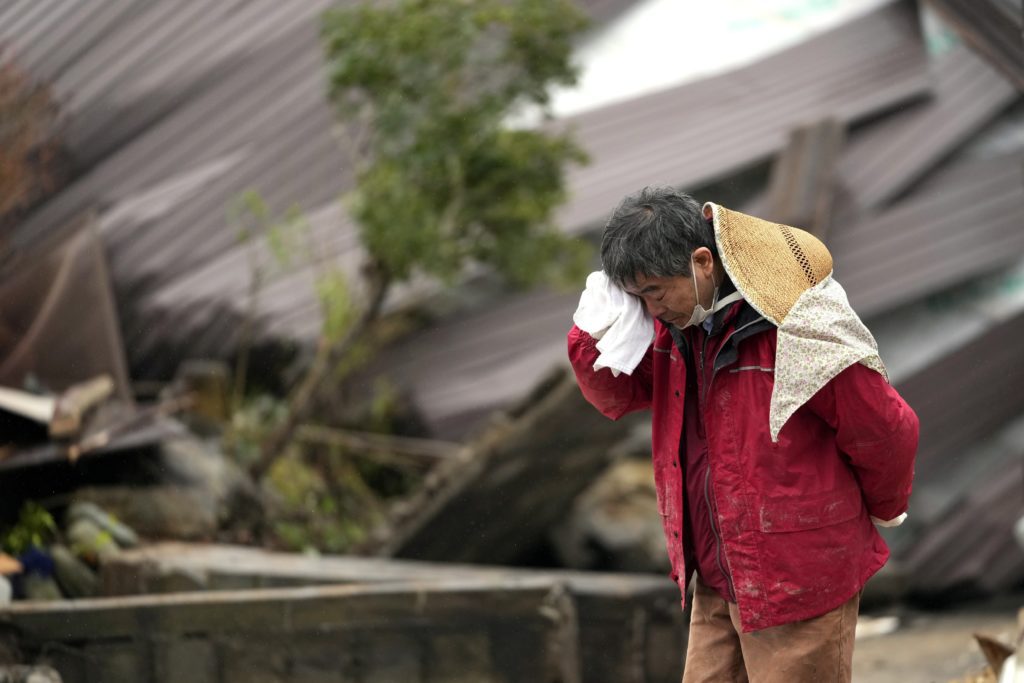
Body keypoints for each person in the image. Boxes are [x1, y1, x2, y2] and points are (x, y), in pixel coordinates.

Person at [567, 186, 919, 682]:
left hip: (798, 576)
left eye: (654, 292)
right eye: (636, 297)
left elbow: (887, 429)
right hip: (717, 573)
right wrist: (591, 331)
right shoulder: (678, 325)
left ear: (702, 261)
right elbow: (615, 392)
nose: (649, 309)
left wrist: (883, 507)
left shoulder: (799, 324)